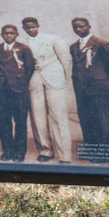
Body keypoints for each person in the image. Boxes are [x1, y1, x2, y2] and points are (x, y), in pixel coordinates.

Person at [69, 17, 109, 163]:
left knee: (102, 121)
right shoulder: (74, 47)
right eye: (75, 27)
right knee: (86, 120)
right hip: (82, 90)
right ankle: (92, 151)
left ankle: (106, 154)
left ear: (89, 26)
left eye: (81, 26)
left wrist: (108, 84)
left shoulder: (101, 44)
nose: (78, 29)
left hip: (99, 89)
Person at [21, 17, 74, 163]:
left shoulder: (53, 39)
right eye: (27, 28)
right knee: (38, 117)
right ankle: (45, 150)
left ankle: (64, 154)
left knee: (59, 116)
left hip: (54, 79)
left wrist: (66, 80)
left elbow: (66, 60)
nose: (30, 30)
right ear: (23, 29)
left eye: (33, 27)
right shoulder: (22, 44)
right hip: (34, 80)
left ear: (38, 26)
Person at [0, 24, 35, 162]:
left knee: (20, 122)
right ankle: (7, 150)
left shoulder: (24, 48)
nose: (9, 35)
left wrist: (20, 80)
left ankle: (20, 152)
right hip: (1, 89)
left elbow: (30, 68)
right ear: (2, 35)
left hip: (19, 90)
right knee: (3, 122)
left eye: (12, 33)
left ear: (17, 35)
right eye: (6, 33)